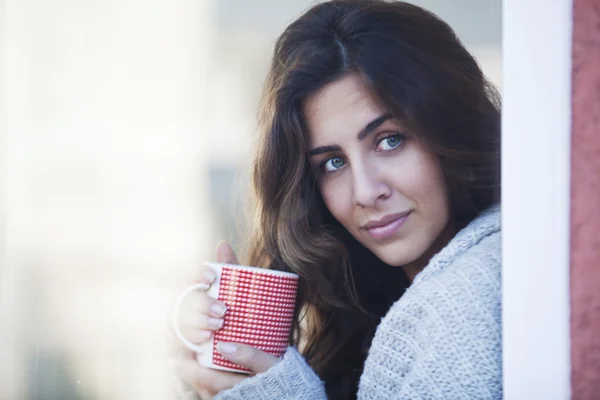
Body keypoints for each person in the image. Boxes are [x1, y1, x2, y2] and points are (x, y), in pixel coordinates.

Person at [173, 0, 502, 399]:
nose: (365, 192)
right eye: (332, 163)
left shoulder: (477, 291)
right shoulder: (367, 300)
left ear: (449, 128)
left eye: (390, 140)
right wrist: (224, 364)